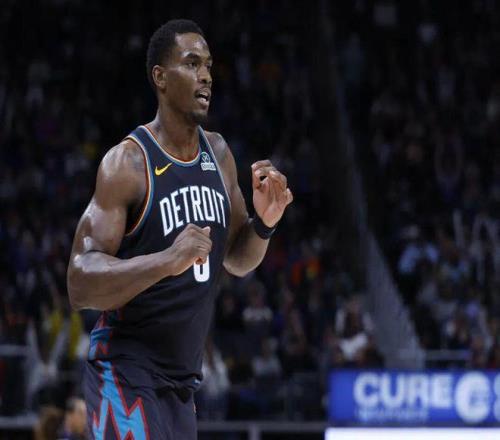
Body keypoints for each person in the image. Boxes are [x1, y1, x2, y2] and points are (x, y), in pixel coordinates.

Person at [67, 19, 293, 440]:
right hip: (125, 369)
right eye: (191, 63)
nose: (206, 75)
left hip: (181, 385)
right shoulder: (127, 163)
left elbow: (237, 259)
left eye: (208, 65)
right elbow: (79, 283)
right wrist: (167, 260)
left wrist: (264, 223)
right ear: (160, 77)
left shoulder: (218, 154)